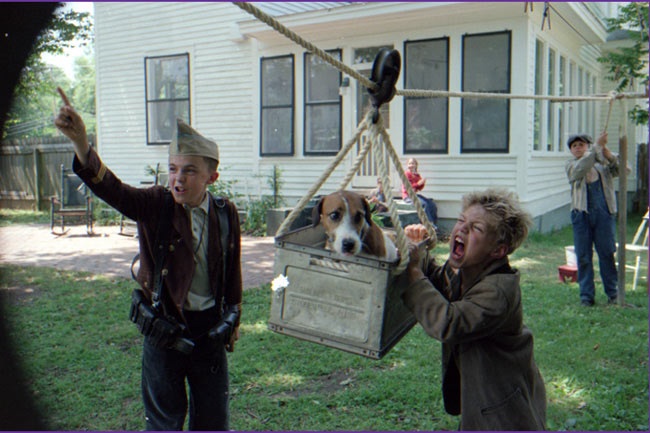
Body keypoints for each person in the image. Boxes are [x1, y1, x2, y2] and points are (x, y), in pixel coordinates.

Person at [54, 87, 242, 431]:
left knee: (213, 420)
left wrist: (232, 321)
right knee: (164, 422)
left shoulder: (225, 212)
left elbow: (233, 275)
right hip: (165, 329)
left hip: (209, 332)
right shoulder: (156, 204)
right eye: (172, 169)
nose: (178, 179)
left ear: (211, 177)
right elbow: (112, 189)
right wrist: (81, 142)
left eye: (189, 171)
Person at [400, 188, 546, 431]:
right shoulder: (470, 269)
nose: (462, 229)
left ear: (498, 250)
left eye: (476, 228)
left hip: (504, 407)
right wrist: (419, 251)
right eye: (461, 220)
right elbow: (439, 281)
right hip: (484, 398)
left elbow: (449, 323)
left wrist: (414, 273)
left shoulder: (498, 291)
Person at [565, 131, 619, 307]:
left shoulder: (601, 166)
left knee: (607, 253)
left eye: (581, 144)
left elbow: (623, 169)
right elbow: (581, 169)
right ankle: (586, 297)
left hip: (604, 214)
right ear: (572, 151)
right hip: (581, 215)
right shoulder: (571, 165)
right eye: (574, 146)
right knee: (583, 256)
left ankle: (613, 294)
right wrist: (597, 147)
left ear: (587, 147)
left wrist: (609, 156)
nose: (578, 148)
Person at [401, 157, 438, 226]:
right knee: (424, 204)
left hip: (415, 195)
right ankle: (429, 224)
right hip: (408, 196)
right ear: (407, 165)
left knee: (431, 204)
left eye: (413, 163)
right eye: (409, 163)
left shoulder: (417, 175)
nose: (411, 165)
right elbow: (408, 187)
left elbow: (419, 188)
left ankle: (434, 222)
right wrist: (418, 183)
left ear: (416, 165)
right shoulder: (406, 174)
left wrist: (422, 183)